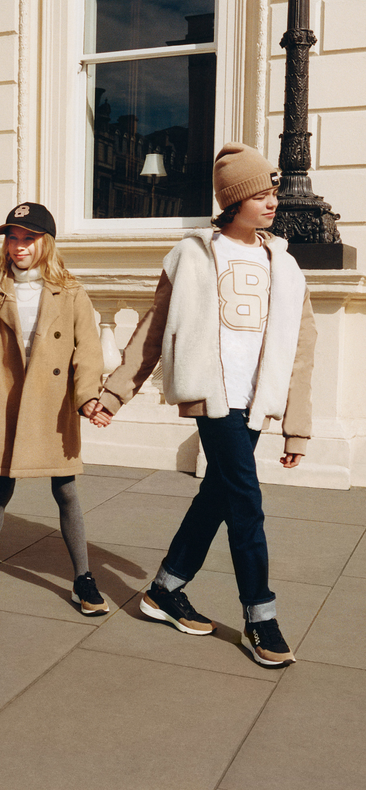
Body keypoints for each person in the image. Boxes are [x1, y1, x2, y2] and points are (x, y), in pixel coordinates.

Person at [91, 143, 316, 667]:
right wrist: (115, 393)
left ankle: (165, 589)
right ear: (233, 201)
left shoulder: (284, 264)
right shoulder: (192, 256)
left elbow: (302, 348)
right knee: (246, 504)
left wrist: (298, 426)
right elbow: (152, 331)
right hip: (212, 396)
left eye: (272, 193)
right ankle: (260, 616)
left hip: (256, 400)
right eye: (259, 195)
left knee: (218, 494)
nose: (271, 202)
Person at [0, 202, 109, 615]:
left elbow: (88, 351)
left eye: (28, 238)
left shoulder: (71, 291)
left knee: (65, 490)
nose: (19, 246)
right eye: (13, 237)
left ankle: (83, 579)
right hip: (8, 401)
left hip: (52, 402)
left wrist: (87, 397)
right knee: (0, 487)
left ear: (46, 243)